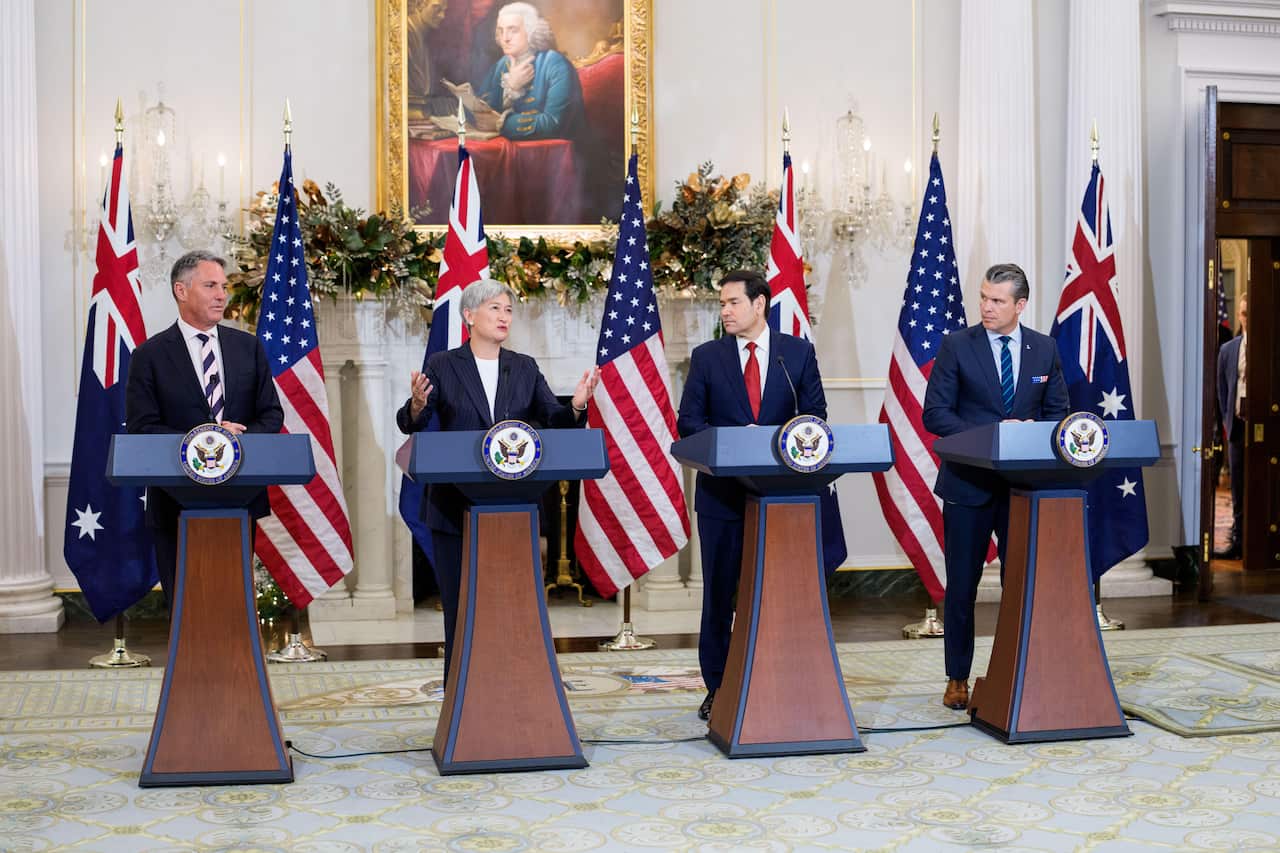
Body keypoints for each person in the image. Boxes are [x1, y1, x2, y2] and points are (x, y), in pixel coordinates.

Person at [396, 278, 599, 685]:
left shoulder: (524, 367)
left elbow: (553, 419)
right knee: (461, 610)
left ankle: (515, 688)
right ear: (469, 316)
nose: (504, 316)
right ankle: (460, 694)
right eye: (495, 308)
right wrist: (416, 405)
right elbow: (413, 422)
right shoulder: (443, 364)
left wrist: (576, 405)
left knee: (512, 608)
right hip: (453, 508)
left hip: (513, 507)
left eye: (508, 310)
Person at [676, 270, 827, 722]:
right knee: (719, 596)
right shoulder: (707, 357)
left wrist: (775, 438)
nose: (724, 311)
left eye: (733, 303)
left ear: (759, 304)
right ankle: (718, 688)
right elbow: (689, 423)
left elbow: (815, 417)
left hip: (780, 499)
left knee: (777, 594)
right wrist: (735, 439)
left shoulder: (796, 354)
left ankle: (778, 681)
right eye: (722, 304)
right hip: (722, 498)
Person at [922, 263, 1068, 711]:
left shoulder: (1044, 349)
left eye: (997, 300)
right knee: (962, 587)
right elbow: (935, 414)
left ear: (1020, 305)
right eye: (984, 297)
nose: (986, 307)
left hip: (1023, 488)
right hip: (967, 485)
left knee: (1020, 585)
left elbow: (1058, 414)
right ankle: (957, 677)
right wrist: (995, 434)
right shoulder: (956, 345)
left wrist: (1028, 432)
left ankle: (1018, 671)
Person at [125, 250, 284, 606]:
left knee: (232, 603)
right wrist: (205, 441)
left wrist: (237, 439)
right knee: (187, 605)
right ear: (181, 291)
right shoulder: (149, 355)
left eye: (224, 287)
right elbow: (142, 426)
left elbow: (271, 415)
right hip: (175, 502)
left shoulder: (248, 347)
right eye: (210, 286)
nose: (222, 295)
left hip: (239, 496)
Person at [476, 2, 584, 140]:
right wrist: (511, 88)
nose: (505, 38)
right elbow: (485, 111)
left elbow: (553, 124)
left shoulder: (555, 64)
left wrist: (501, 123)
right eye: (501, 31)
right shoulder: (501, 65)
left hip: (556, 150)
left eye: (513, 30)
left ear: (531, 31)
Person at [1215, 295, 1248, 560]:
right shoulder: (1228, 350)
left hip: (1264, 428)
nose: (1247, 318)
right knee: (1237, 485)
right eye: (1244, 313)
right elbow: (1221, 389)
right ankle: (1238, 539)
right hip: (1237, 426)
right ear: (1238, 315)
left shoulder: (1269, 345)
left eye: (1251, 312)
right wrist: (1227, 420)